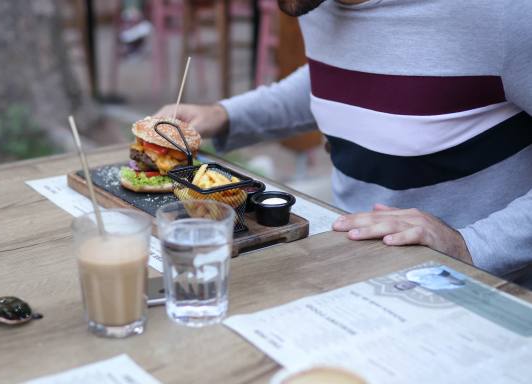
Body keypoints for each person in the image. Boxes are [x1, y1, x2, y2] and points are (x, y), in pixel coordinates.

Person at [156, 0, 532, 279]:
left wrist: (471, 245)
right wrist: (226, 115)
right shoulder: (312, 5)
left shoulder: (502, 13)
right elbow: (344, 75)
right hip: (349, 261)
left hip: (480, 288)